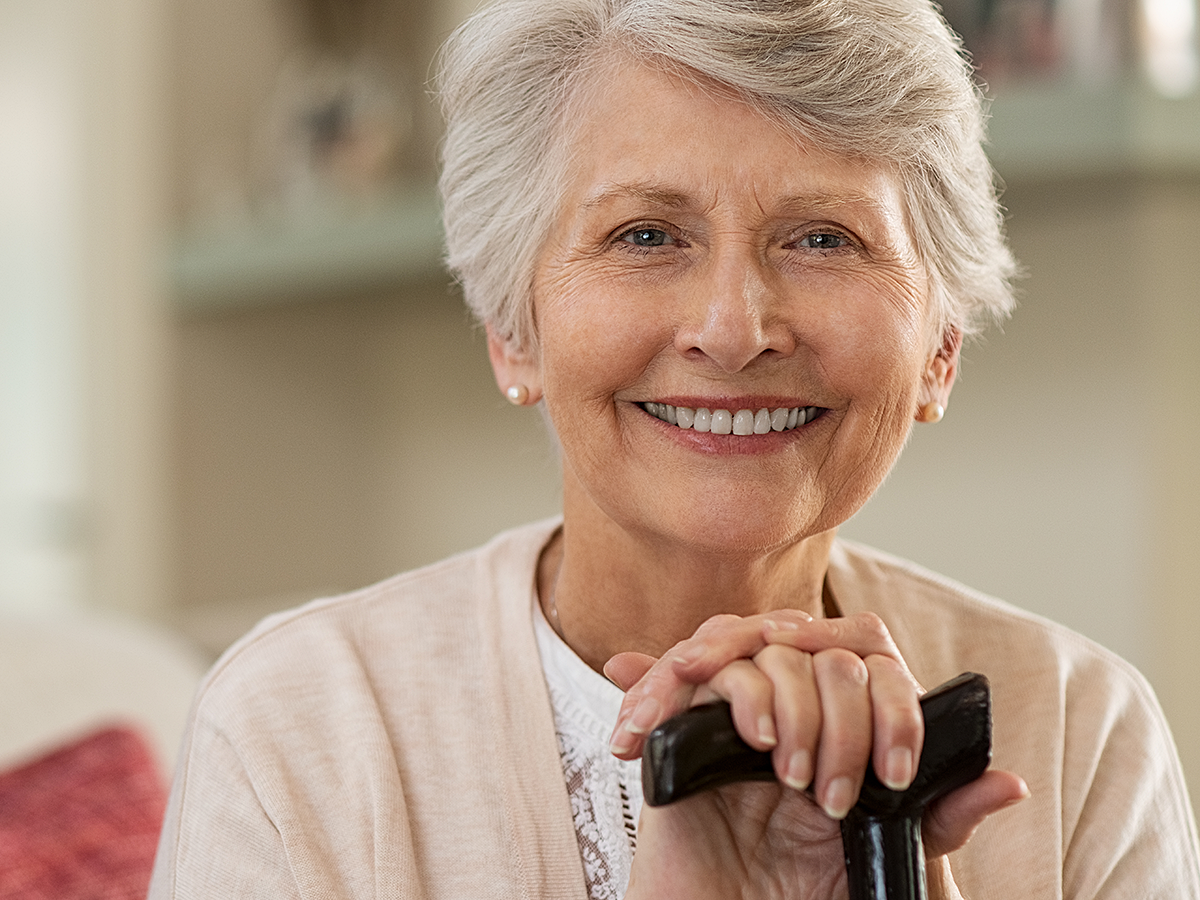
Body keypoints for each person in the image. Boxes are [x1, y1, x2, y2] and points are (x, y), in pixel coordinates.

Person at [149, 0, 1200, 896]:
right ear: (513, 328)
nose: (735, 327)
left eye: (822, 238)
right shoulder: (298, 730)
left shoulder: (1079, 731)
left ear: (941, 346)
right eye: (646, 236)